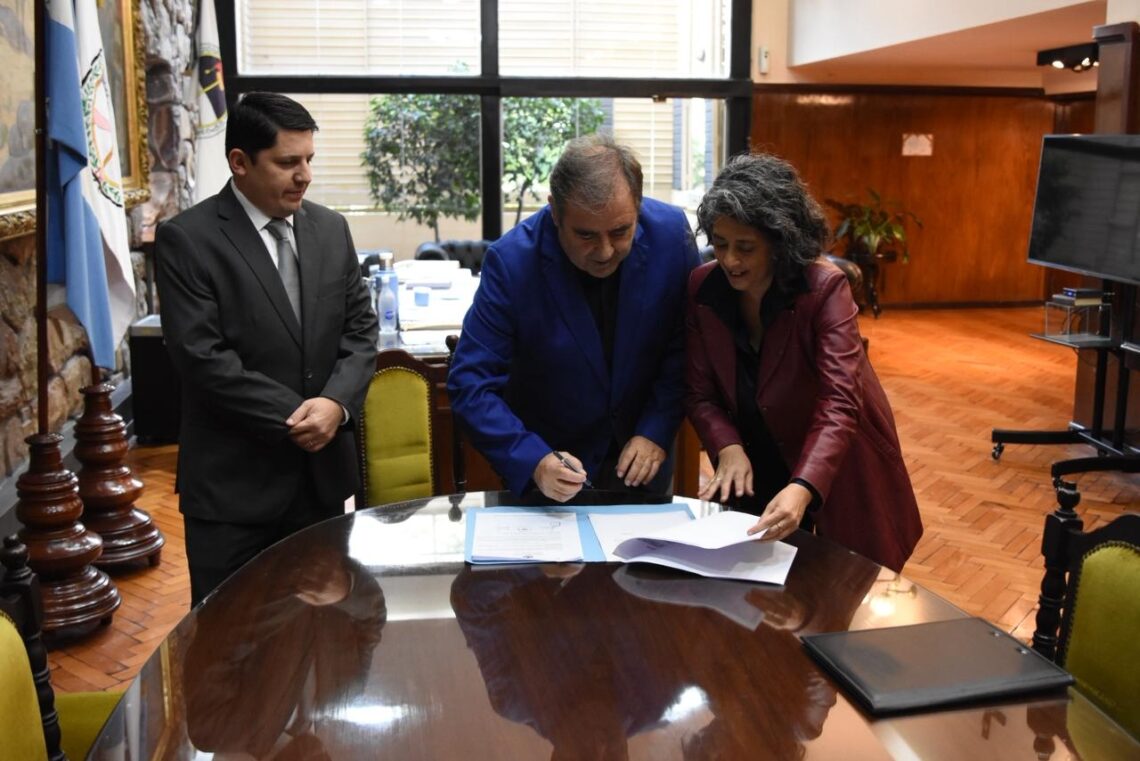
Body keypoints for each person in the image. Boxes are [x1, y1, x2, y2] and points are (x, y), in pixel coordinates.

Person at [156, 92, 378, 606]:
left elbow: (361, 331)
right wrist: (302, 416)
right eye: (287, 162)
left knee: (319, 634)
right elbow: (202, 357)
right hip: (234, 493)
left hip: (320, 485)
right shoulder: (187, 239)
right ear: (240, 162)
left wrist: (336, 404)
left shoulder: (331, 229)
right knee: (230, 637)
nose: (305, 176)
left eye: (309, 160)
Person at [685, 152, 922, 571]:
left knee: (843, 586)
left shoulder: (825, 288)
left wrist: (804, 484)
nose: (729, 260)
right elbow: (699, 392)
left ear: (780, 241)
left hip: (836, 462)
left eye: (745, 247)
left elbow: (840, 401)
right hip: (755, 457)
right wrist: (727, 446)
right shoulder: (703, 287)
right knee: (751, 582)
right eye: (720, 244)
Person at [447, 134, 700, 502]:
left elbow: (686, 347)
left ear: (639, 205)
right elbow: (470, 383)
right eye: (586, 235)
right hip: (551, 466)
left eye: (621, 231)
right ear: (555, 211)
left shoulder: (671, 236)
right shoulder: (512, 262)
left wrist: (656, 430)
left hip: (643, 459)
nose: (605, 251)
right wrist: (533, 459)